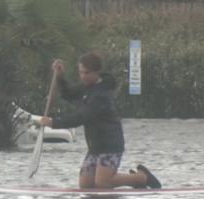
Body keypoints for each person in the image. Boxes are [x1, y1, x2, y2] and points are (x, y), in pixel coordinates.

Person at [39, 52, 161, 189]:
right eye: (81, 73)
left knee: (103, 183)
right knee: (86, 186)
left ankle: (141, 178)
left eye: (87, 73)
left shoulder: (101, 95)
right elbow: (68, 94)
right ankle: (129, 180)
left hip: (111, 145)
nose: (83, 76)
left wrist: (53, 122)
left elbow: (82, 117)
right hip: (95, 146)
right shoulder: (86, 87)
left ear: (97, 72)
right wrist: (60, 77)